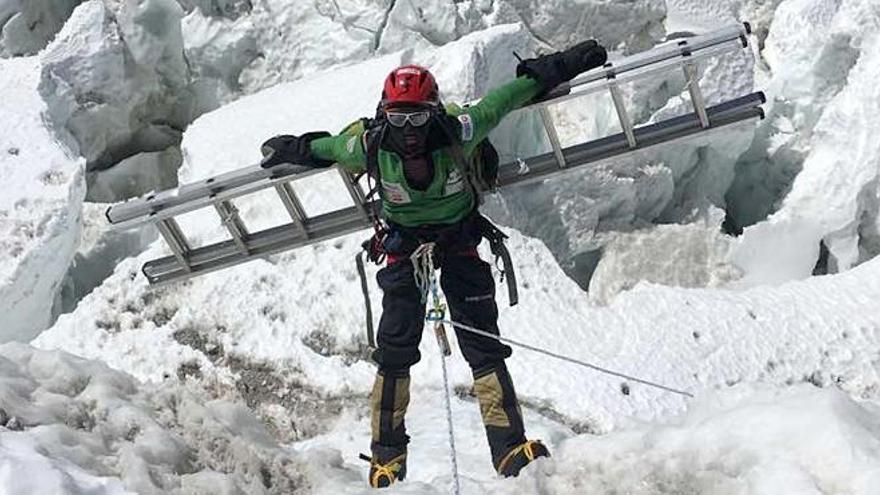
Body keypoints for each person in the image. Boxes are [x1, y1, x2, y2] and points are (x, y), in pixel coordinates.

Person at [259, 39, 607, 488]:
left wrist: (564, 63)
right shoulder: (368, 144)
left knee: (481, 341)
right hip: (404, 248)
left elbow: (510, 96)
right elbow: (325, 147)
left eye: (418, 118)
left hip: (458, 240)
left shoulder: (461, 128)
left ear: (435, 113)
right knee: (395, 349)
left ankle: (508, 449)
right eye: (399, 119)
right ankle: (387, 459)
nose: (408, 130)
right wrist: (293, 147)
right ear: (384, 116)